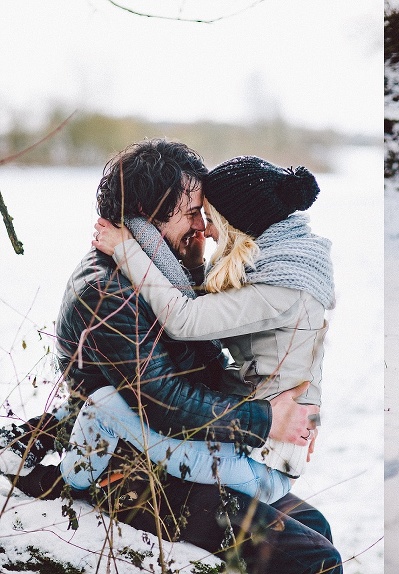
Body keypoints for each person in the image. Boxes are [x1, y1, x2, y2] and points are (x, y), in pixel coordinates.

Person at [0, 139, 341, 573]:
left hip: (180, 446)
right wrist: (267, 421)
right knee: (312, 559)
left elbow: (206, 361)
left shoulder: (166, 271)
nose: (203, 227)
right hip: (132, 463)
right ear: (149, 215)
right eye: (193, 213)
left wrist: (297, 415)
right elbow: (165, 402)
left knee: (315, 524)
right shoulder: (109, 291)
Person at [63, 155, 333, 496]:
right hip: (254, 445)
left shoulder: (283, 287)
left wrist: (127, 250)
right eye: (196, 215)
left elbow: (185, 320)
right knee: (101, 402)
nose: (205, 230)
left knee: (106, 406)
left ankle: (66, 486)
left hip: (255, 464)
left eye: (207, 217)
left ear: (236, 222)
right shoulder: (282, 263)